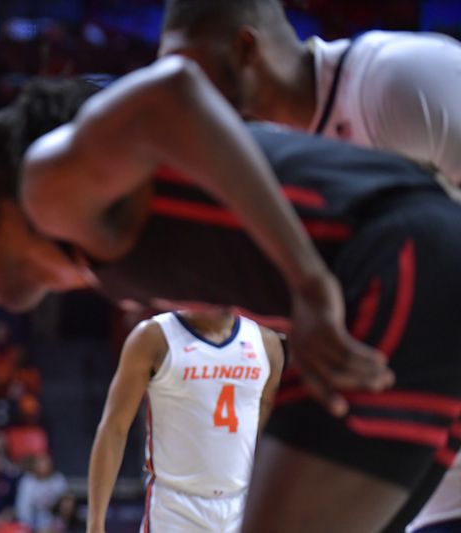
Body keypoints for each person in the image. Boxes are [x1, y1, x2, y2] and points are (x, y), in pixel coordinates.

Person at [0, 59, 461, 532]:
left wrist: (309, 282)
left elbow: (175, 87)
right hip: (417, 261)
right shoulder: (99, 249)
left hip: (395, 257)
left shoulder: (50, 182)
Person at [157, 2, 461, 528]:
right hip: (427, 446)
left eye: (189, 74)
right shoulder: (264, 178)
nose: (183, 100)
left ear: (245, 51)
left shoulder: (399, 79)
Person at [158, 0, 461, 186]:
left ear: (245, 49)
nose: (174, 86)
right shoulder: (258, 156)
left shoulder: (397, 79)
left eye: (185, 66)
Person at [87, 310, 283, 532]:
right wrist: (95, 524)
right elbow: (114, 428)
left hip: (241, 504)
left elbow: (265, 437)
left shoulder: (266, 343)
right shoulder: (153, 337)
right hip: (175, 508)